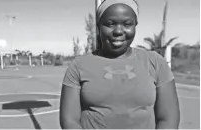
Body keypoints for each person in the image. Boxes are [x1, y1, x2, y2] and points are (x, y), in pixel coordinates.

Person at [59, 0, 180, 129]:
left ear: (135, 25)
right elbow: (69, 121)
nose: (118, 31)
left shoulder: (156, 62)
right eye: (110, 24)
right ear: (99, 26)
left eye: (127, 24)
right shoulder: (78, 65)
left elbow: (168, 119)